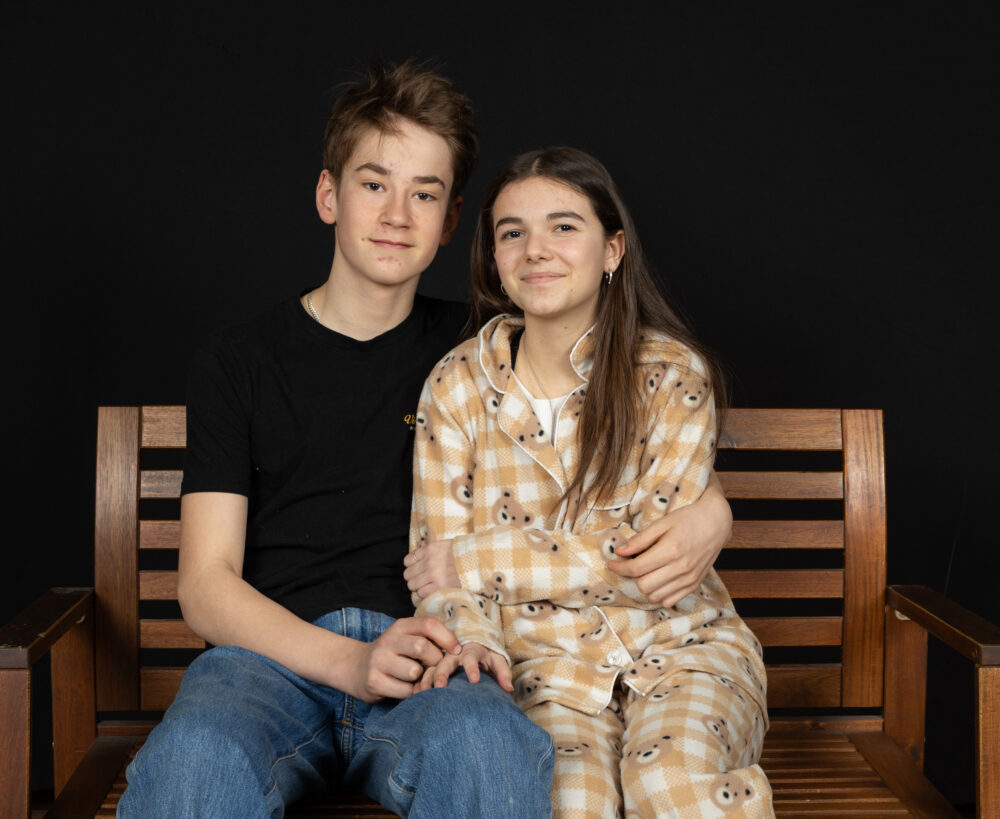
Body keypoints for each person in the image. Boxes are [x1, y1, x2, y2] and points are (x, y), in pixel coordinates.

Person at [119, 60, 732, 818]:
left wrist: (712, 509)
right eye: (374, 184)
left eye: (425, 193)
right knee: (195, 755)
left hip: (437, 653)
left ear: (450, 222)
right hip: (269, 662)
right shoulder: (239, 360)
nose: (396, 215)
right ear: (328, 195)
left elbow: (615, 417)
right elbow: (206, 584)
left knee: (486, 745)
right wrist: (350, 661)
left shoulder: (483, 352)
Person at [410, 147, 773, 818]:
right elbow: (439, 579)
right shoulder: (456, 385)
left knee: (666, 781)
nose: (535, 249)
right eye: (512, 232)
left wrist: (477, 558)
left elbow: (649, 563)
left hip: (683, 650)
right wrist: (473, 639)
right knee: (570, 803)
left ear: (612, 249)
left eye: (563, 226)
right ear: (494, 259)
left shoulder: (671, 376)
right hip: (542, 673)